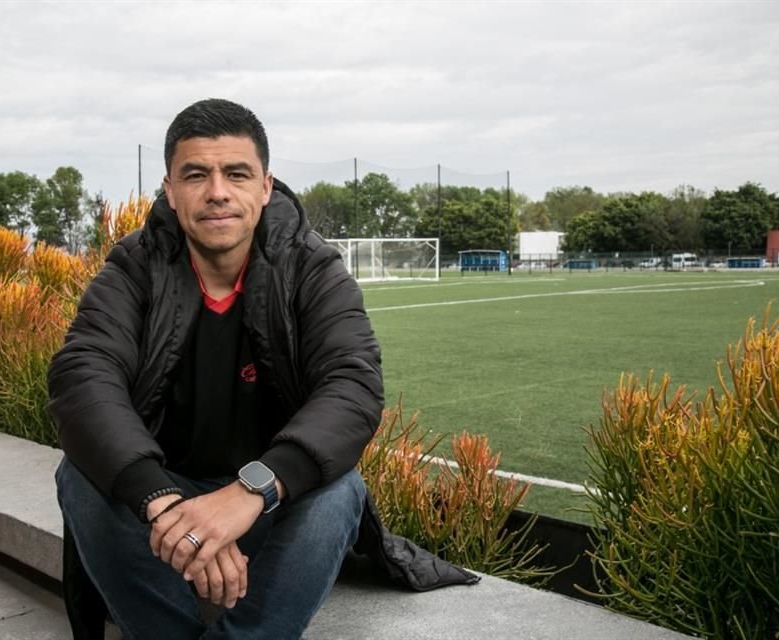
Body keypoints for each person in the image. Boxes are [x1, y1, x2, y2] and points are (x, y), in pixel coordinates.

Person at [50, 98, 476, 640]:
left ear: (266, 186)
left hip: (274, 503)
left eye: (236, 173)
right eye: (196, 174)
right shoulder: (135, 267)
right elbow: (83, 378)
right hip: (163, 505)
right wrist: (164, 503)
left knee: (340, 492)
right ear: (170, 190)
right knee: (79, 478)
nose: (218, 192)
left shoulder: (311, 267)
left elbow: (352, 386)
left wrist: (250, 493)